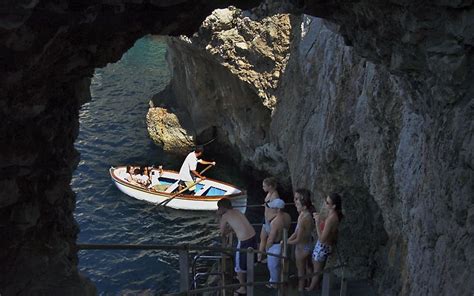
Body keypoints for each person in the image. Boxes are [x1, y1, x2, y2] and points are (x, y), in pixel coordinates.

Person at [217, 198, 257, 296]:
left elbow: (221, 232)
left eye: (218, 208)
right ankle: (247, 278)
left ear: (222, 208)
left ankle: (243, 287)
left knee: (238, 266)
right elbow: (239, 225)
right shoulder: (237, 211)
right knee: (249, 259)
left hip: (244, 240)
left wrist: (219, 217)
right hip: (253, 236)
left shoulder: (225, 216)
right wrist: (232, 230)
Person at [307, 192, 343, 291]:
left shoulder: (332, 219)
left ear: (334, 206)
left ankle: (311, 289)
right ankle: (315, 285)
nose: (325, 204)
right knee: (315, 266)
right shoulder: (332, 215)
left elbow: (322, 239)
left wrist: (317, 223)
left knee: (317, 270)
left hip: (323, 246)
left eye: (327, 202)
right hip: (324, 245)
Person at [288, 189, 315, 291]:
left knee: (300, 271)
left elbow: (298, 239)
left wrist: (287, 242)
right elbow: (296, 233)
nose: (295, 203)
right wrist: (288, 239)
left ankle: (300, 289)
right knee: (308, 267)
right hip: (308, 245)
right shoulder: (305, 214)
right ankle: (311, 284)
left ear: (303, 204)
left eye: (297, 201)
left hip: (301, 248)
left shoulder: (303, 218)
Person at [265, 198, 291, 288]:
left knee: (273, 267)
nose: (272, 209)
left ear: (278, 209)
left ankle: (275, 285)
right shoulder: (288, 216)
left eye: (273, 208)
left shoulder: (275, 222)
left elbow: (271, 239)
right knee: (281, 264)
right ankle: (281, 281)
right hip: (283, 242)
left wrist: (267, 247)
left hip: (275, 245)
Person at [258, 177, 280, 263]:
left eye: (264, 186)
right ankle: (259, 257)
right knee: (262, 237)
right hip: (265, 218)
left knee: (270, 240)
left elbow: (278, 210)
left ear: (270, 186)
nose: (263, 187)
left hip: (271, 220)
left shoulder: (275, 195)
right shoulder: (269, 193)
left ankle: (269, 257)